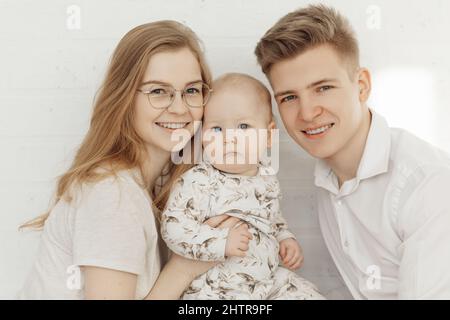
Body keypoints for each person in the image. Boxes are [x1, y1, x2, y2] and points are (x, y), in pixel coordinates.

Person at [17, 20, 241, 300]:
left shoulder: (151, 188)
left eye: (192, 90)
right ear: (124, 98)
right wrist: (185, 267)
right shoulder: (111, 194)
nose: (180, 107)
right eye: (158, 91)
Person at [254, 4, 450, 299]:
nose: (307, 113)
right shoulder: (328, 174)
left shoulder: (427, 184)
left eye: (323, 88)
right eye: (290, 97)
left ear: (361, 86)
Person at [161, 73, 324, 300]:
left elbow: (272, 216)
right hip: (217, 287)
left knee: (306, 293)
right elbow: (173, 229)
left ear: (268, 136)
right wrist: (221, 243)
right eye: (217, 129)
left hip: (265, 281)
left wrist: (285, 237)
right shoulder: (198, 181)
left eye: (243, 126)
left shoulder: (266, 176)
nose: (229, 138)